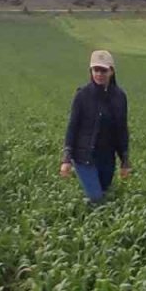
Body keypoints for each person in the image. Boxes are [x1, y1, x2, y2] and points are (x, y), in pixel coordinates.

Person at [60, 49, 131, 203]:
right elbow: (72, 127)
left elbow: (121, 131)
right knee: (96, 197)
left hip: (107, 159)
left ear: (111, 71)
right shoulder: (82, 96)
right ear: (91, 71)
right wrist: (66, 159)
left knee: (104, 194)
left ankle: (89, 219)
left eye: (103, 70)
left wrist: (124, 161)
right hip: (83, 157)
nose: (99, 74)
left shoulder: (120, 97)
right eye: (95, 70)